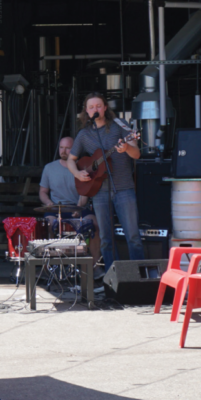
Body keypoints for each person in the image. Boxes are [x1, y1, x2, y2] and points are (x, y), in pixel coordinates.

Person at [65, 93, 143, 272]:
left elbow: (136, 154)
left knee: (133, 235)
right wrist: (77, 173)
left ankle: (139, 277)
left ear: (105, 108)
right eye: (91, 107)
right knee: (106, 239)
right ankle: (111, 278)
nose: (95, 110)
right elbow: (71, 160)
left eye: (98, 106)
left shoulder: (119, 125)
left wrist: (126, 148)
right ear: (86, 111)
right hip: (99, 191)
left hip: (124, 189)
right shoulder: (84, 134)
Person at [39, 137, 100, 262]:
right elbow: (43, 192)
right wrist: (49, 203)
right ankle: (47, 268)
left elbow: (85, 192)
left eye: (67, 148)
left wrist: (79, 207)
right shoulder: (49, 168)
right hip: (56, 208)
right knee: (46, 225)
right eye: (61, 147)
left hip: (78, 207)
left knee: (95, 224)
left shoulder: (82, 167)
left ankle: (94, 266)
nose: (63, 151)